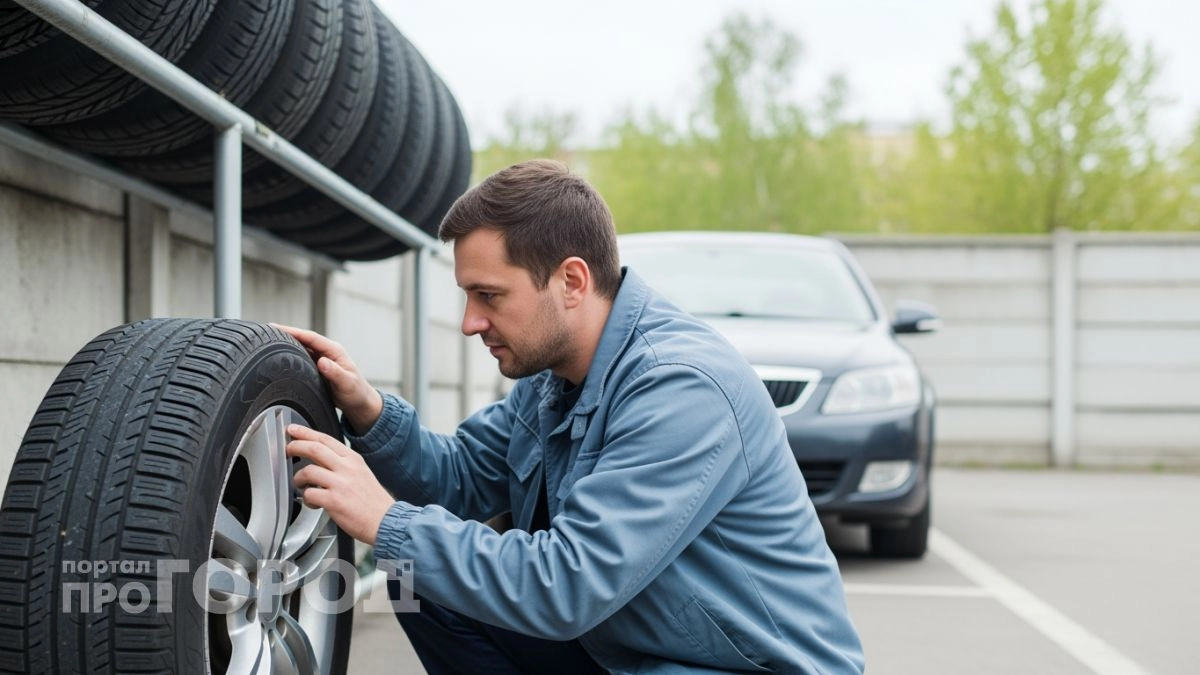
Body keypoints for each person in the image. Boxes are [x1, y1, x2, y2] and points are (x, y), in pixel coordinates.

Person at [277, 159, 865, 674]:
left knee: (413, 550)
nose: (469, 322)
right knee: (420, 579)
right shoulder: (553, 377)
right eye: (467, 297)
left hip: (735, 666)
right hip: (626, 646)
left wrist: (386, 521)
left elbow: (569, 584)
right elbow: (460, 478)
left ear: (572, 281)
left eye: (490, 296)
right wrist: (369, 411)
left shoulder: (682, 389)